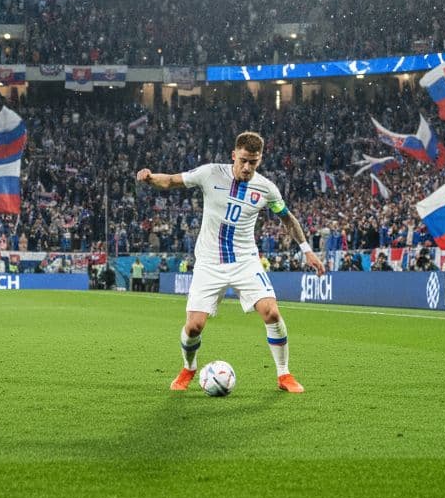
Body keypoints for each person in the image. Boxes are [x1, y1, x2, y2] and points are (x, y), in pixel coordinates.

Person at [137, 130, 325, 394]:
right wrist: (149, 178)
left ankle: (284, 375)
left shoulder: (267, 189)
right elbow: (171, 181)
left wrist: (307, 250)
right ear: (233, 155)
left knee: (271, 312)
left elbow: (287, 219)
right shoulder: (210, 173)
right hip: (209, 262)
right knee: (194, 327)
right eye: (244, 160)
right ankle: (189, 368)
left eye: (254, 162)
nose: (248, 167)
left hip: (245, 261)